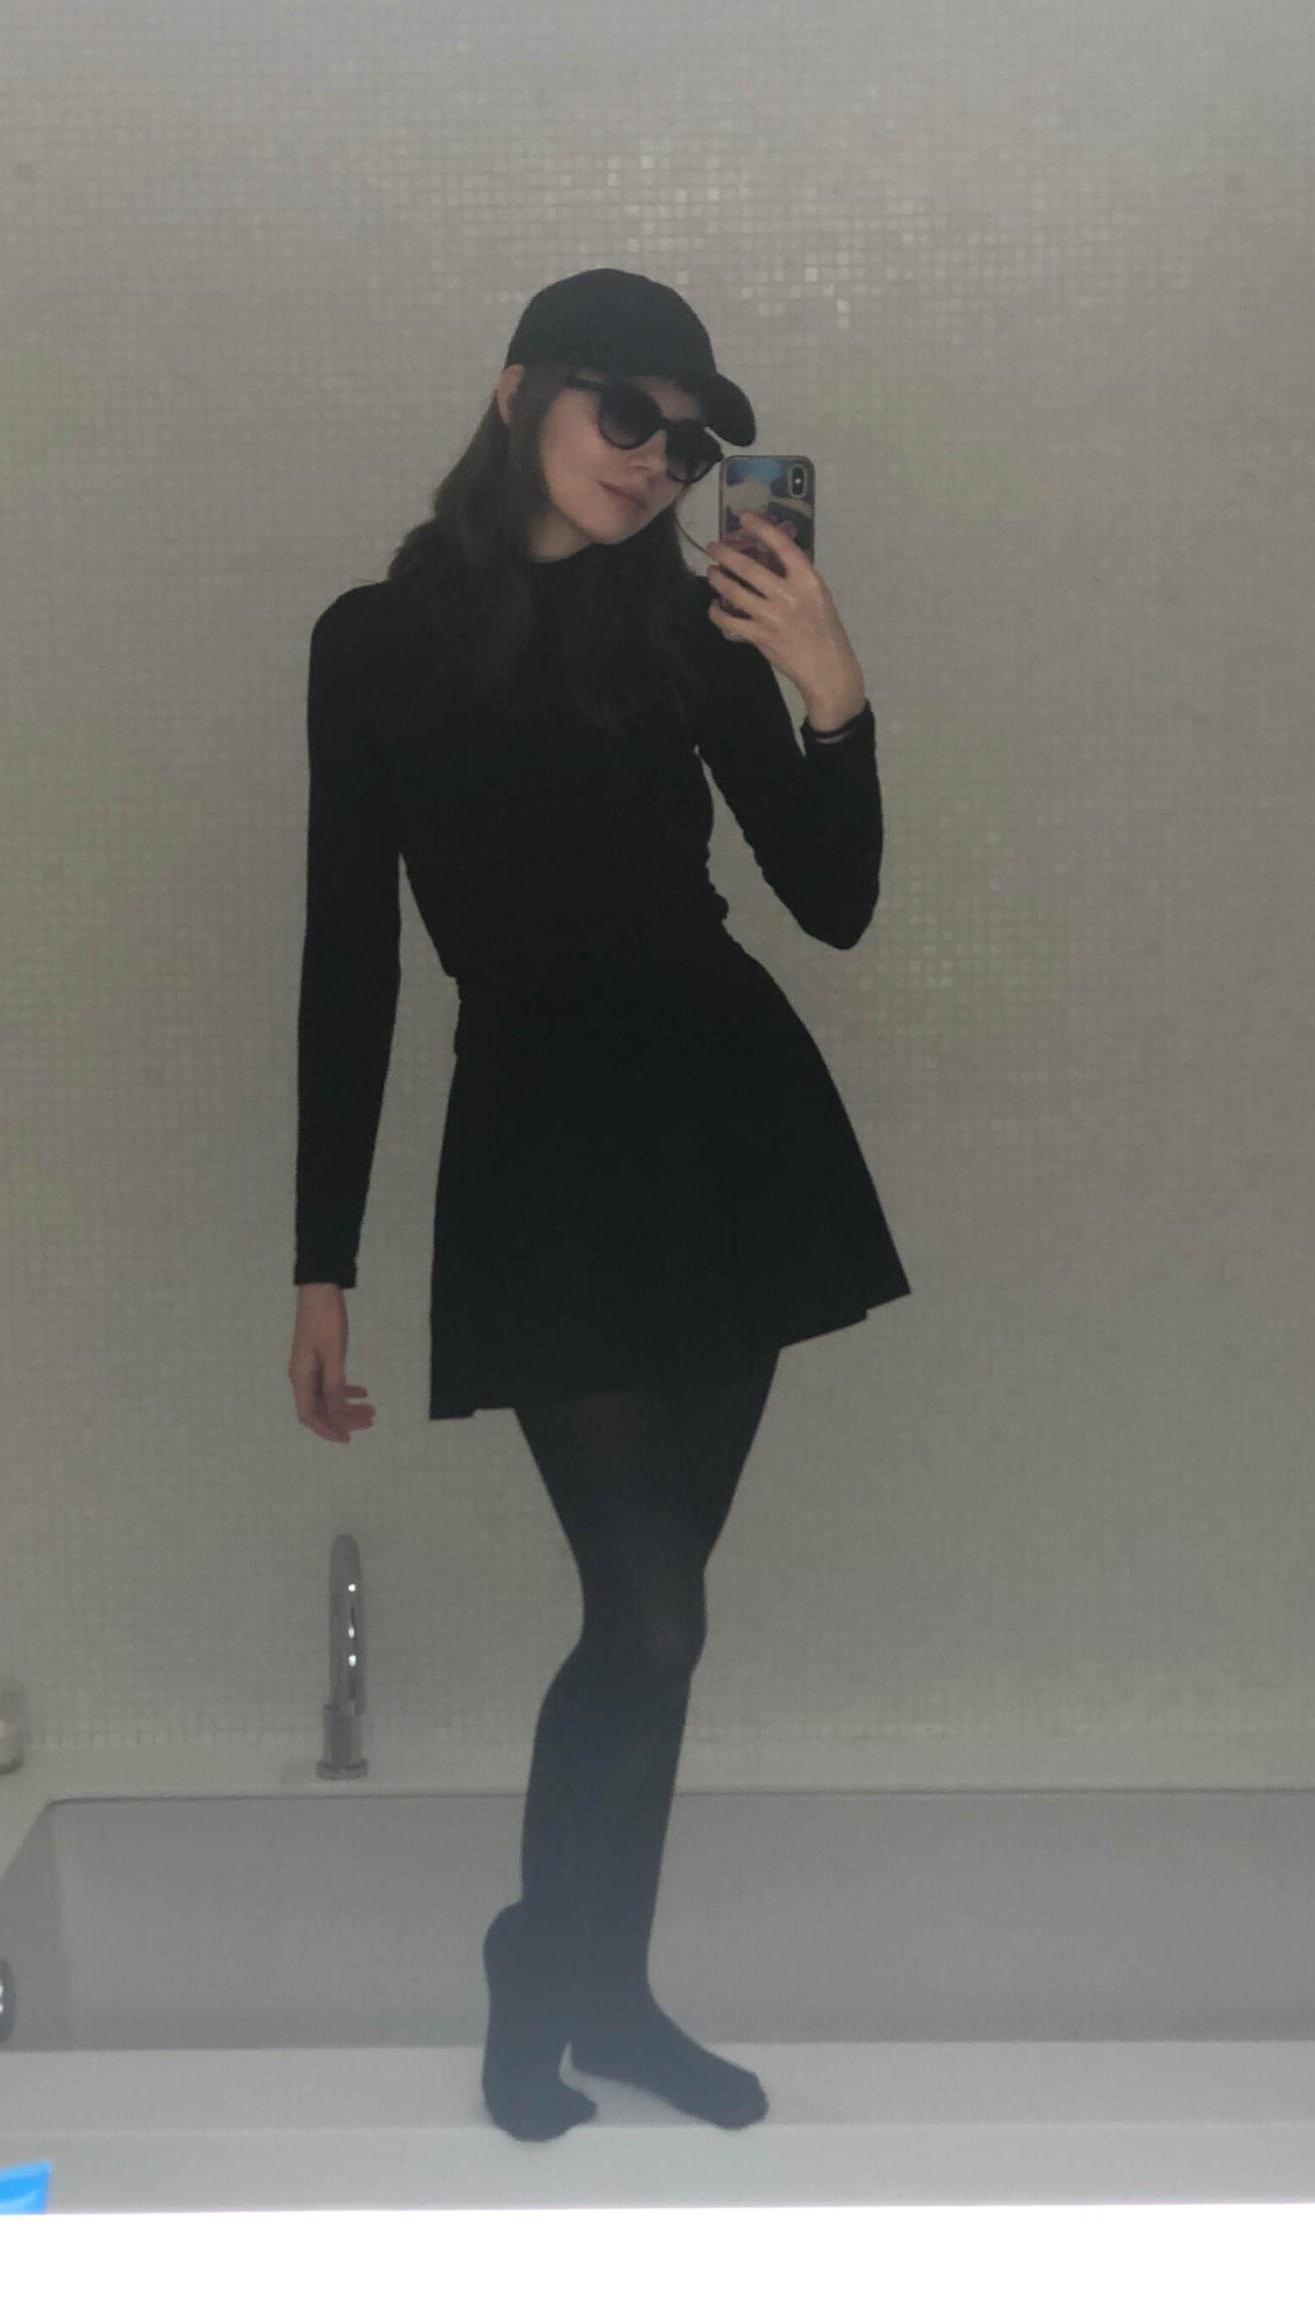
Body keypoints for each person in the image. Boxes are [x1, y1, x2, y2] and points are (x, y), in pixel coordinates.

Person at [286, 268, 911, 2141]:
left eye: (689, 440)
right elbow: (350, 959)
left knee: (660, 1619)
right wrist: (321, 1260)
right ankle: (543, 1967)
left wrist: (833, 694)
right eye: (623, 414)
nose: (656, 460)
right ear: (518, 397)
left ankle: (600, 1991)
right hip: (542, 1164)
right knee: (646, 1621)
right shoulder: (373, 645)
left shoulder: (691, 633)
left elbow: (835, 904)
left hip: (728, 1137)